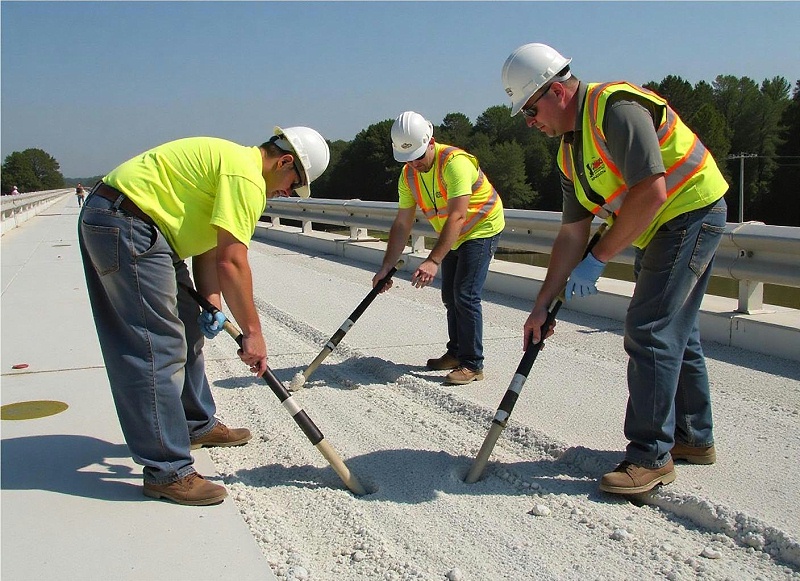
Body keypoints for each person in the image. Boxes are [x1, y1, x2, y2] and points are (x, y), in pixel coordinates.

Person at [502, 43, 728, 494]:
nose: (531, 123)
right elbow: (571, 234)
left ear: (556, 92)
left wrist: (598, 260)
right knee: (675, 330)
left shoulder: (615, 109)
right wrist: (542, 304)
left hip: (690, 210)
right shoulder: (569, 154)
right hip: (656, 227)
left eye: (530, 110)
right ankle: (693, 438)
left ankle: (649, 457)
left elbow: (652, 192)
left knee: (648, 329)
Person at [78, 127, 330, 505]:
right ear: (285, 161)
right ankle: (167, 471)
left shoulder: (237, 166)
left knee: (189, 327)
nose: (289, 192)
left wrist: (211, 304)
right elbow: (233, 261)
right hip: (128, 223)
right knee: (154, 347)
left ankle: (196, 424)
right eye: (294, 183)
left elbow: (211, 250)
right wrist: (253, 333)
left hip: (146, 228)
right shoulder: (245, 177)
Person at [373, 111, 505, 385]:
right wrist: (386, 266)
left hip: (481, 227)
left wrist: (433, 260)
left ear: (431, 141)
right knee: (449, 295)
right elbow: (402, 224)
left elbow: (457, 215)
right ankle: (456, 353)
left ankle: (472, 364)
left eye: (419, 156)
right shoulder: (408, 176)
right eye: (408, 159)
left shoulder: (454, 163)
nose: (415, 164)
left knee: (465, 294)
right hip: (454, 233)